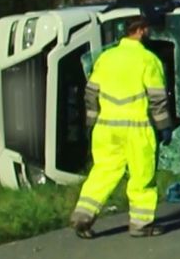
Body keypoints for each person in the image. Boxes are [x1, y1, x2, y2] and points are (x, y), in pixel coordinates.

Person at [71, 17, 173, 239]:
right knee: (142, 175)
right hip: (136, 128)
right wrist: (164, 125)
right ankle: (140, 224)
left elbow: (90, 93)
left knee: (104, 171)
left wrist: (91, 122)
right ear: (141, 30)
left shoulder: (106, 58)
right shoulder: (148, 59)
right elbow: (157, 99)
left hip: (106, 127)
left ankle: (83, 214)